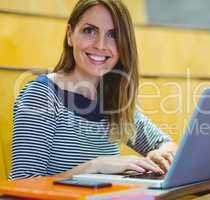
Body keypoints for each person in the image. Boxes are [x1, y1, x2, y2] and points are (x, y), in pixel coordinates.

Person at [9, 0, 177, 180]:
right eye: (89, 31)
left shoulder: (114, 100)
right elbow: (22, 185)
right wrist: (95, 166)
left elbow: (167, 144)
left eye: (113, 35)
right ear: (69, 35)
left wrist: (160, 154)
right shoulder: (41, 95)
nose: (100, 45)